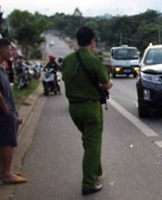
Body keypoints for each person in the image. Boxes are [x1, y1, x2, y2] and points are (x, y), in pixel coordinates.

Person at [62, 26, 113, 196]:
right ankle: (88, 183)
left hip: (73, 108)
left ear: (77, 40)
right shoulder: (93, 60)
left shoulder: (68, 60)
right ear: (92, 41)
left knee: (89, 141)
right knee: (92, 144)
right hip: (90, 108)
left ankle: (96, 170)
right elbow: (107, 84)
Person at [0, 38, 27, 184]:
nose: (11, 52)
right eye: (9, 49)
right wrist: (8, 112)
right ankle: (7, 173)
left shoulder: (0, 67)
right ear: (1, 50)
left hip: (6, 112)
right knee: (8, 142)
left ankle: (3, 171)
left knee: (2, 142)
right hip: (3, 113)